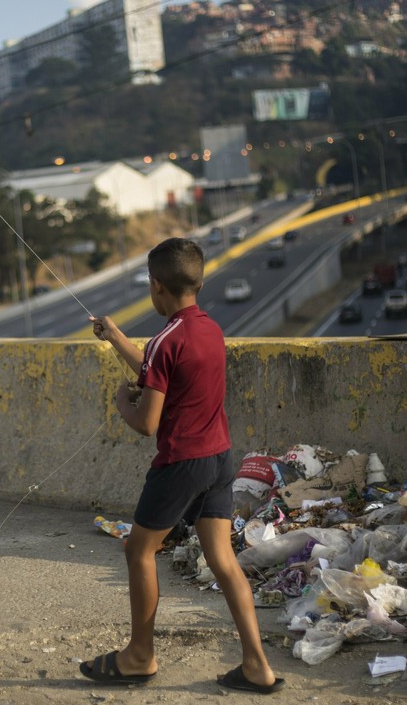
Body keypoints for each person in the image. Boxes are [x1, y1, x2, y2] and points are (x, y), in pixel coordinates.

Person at [81, 236, 283, 695]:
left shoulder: (162, 340)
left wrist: (120, 404)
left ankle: (139, 655)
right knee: (223, 560)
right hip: (219, 460)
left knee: (139, 551)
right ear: (200, 280)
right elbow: (158, 371)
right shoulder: (210, 328)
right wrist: (115, 337)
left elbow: (146, 422)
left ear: (156, 287)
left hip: (181, 464)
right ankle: (256, 665)